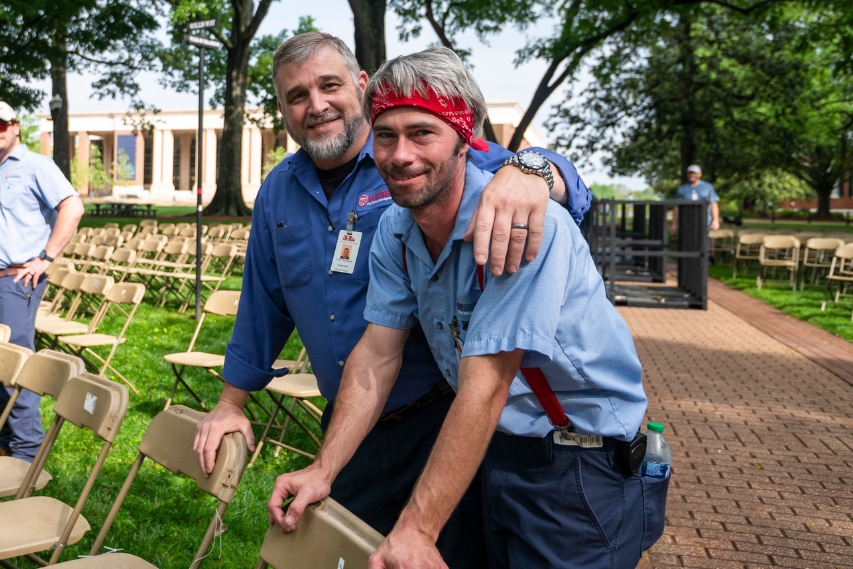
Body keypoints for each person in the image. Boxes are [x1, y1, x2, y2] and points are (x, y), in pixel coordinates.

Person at [193, 33, 592, 567]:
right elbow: (261, 304)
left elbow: (525, 172)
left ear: (361, 85)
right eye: (296, 96)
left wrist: (535, 169)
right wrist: (230, 403)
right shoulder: (278, 191)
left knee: (433, 552)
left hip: (440, 420)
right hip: (349, 417)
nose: (316, 106)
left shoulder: (418, 157)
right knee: (333, 551)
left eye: (330, 85)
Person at [268, 47, 659, 569]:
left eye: (422, 133)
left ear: (464, 139)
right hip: (492, 451)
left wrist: (414, 530)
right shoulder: (397, 228)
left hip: (577, 467)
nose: (399, 154)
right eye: (385, 135)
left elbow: (487, 384)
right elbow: (377, 357)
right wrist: (325, 468)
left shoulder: (516, 224)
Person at [0, 100, 84, 461]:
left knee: (17, 366)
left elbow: (72, 206)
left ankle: (28, 455)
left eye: (0, 124)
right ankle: (6, 439)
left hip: (15, 283)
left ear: (16, 127)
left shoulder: (37, 166)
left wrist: (46, 258)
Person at [672, 164, 720, 233]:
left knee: (705, 242)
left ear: (700, 174)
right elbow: (676, 207)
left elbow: (713, 204)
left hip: (704, 223)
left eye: (694, 173)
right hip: (686, 223)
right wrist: (674, 223)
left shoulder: (707, 187)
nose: (691, 175)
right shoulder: (682, 189)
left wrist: (715, 220)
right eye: (690, 173)